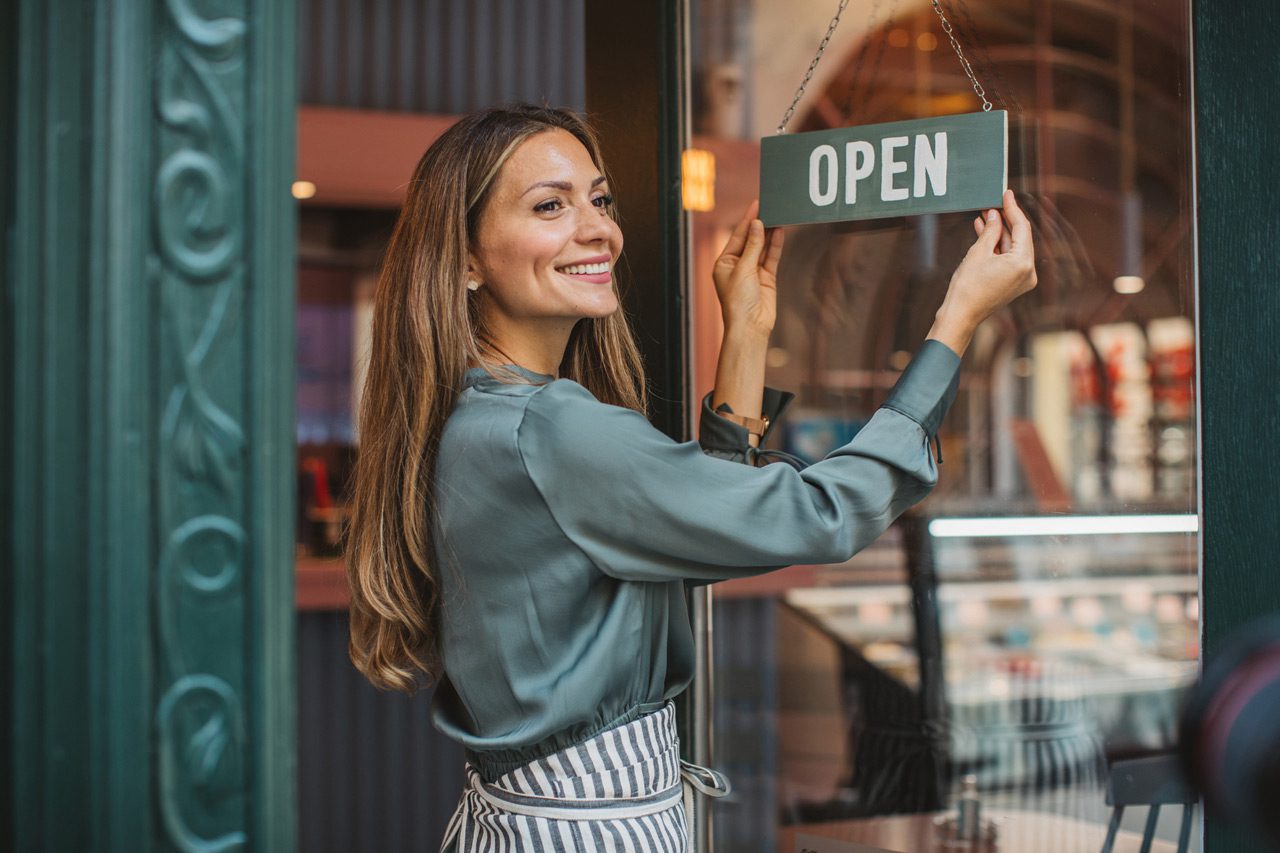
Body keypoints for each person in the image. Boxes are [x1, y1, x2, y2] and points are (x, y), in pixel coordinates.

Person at [345, 104, 1036, 852]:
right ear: (467, 259)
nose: (597, 227)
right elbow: (822, 514)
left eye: (599, 199)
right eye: (551, 204)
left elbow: (703, 521)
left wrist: (744, 334)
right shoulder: (552, 428)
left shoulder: (477, 416)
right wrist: (957, 321)